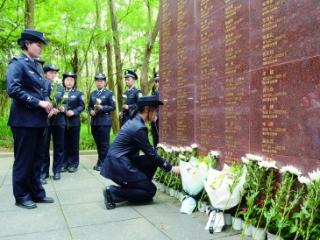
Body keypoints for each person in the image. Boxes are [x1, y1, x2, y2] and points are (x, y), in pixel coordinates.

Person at [100, 95, 180, 209]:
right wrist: (172, 168)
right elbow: (151, 154)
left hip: (120, 162)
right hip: (118, 166)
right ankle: (112, 192)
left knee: (151, 162)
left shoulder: (136, 122)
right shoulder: (138, 128)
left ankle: (139, 187)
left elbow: (151, 155)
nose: (157, 113)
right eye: (155, 110)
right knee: (150, 190)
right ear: (147, 109)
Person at [6, 29, 54, 209]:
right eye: (38, 44)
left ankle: (36, 192)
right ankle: (21, 195)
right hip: (23, 121)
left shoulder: (35, 66)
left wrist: (47, 104)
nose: (41, 48)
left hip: (38, 121)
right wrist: (38, 103)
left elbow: (41, 91)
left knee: (37, 159)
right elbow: (13, 89)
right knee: (24, 159)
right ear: (27, 44)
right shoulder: (17, 64)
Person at [40, 64, 65, 182]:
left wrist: (59, 108)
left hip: (59, 120)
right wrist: (48, 108)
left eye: (55, 73)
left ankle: (57, 170)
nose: (53, 75)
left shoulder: (60, 86)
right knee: (44, 146)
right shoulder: (41, 84)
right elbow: (42, 97)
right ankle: (44, 171)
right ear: (45, 74)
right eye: (50, 72)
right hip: (45, 119)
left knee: (59, 146)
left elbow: (66, 101)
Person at [88, 73, 116, 171]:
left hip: (104, 122)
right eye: (97, 80)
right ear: (95, 82)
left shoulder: (109, 93)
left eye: (101, 81)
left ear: (104, 82)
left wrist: (102, 107)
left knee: (104, 144)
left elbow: (113, 107)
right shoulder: (93, 93)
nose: (99, 82)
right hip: (94, 122)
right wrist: (90, 111)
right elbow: (89, 106)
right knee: (98, 143)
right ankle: (101, 160)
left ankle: (103, 163)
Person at [62, 72, 85, 173]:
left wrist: (74, 112)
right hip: (62, 122)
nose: (69, 82)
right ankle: (64, 163)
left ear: (74, 82)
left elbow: (82, 106)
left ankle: (74, 164)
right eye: (67, 79)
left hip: (74, 122)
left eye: (71, 80)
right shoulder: (59, 92)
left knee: (73, 144)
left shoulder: (78, 93)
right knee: (63, 143)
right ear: (64, 81)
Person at [151, 72, 160, 147]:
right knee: (155, 139)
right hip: (154, 120)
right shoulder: (153, 93)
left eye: (159, 81)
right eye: (156, 81)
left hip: (162, 120)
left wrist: (157, 114)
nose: (157, 83)